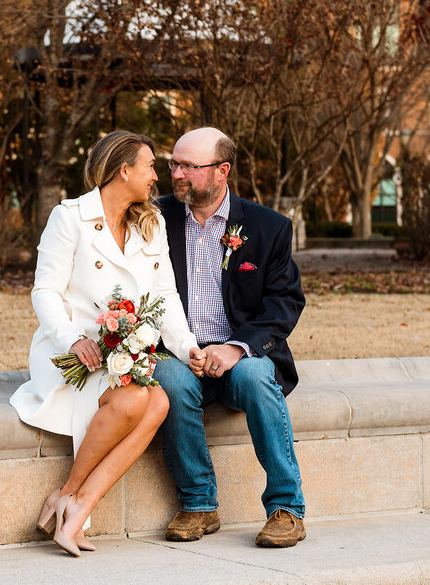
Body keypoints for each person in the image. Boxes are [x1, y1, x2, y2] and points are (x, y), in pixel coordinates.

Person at [10, 130, 199, 557]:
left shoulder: (151, 224)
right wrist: (72, 339)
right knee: (137, 402)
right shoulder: (69, 217)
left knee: (160, 403)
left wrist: (187, 348)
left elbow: (164, 296)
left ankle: (74, 503)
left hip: (120, 354)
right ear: (124, 169)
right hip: (69, 352)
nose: (156, 177)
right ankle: (69, 499)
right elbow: (45, 292)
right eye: (150, 166)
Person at [153, 127, 308, 548]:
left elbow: (284, 303)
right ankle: (199, 504)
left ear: (222, 171)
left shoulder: (268, 228)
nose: (176, 173)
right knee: (170, 380)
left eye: (188, 165)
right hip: (177, 353)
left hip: (240, 356)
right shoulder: (154, 219)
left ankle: (286, 509)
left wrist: (236, 347)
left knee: (259, 377)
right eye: (174, 163)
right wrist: (182, 349)